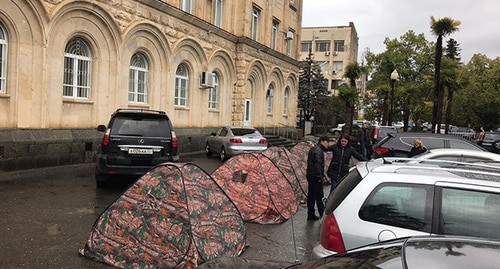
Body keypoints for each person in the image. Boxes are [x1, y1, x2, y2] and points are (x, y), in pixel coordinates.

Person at [306, 136, 330, 221]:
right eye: (327, 142)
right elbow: (318, 165)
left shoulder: (313, 149)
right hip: (316, 177)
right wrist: (320, 177)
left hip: (310, 175)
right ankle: (322, 215)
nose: (328, 144)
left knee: (311, 196)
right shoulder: (319, 151)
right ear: (323, 141)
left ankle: (311, 214)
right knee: (320, 196)